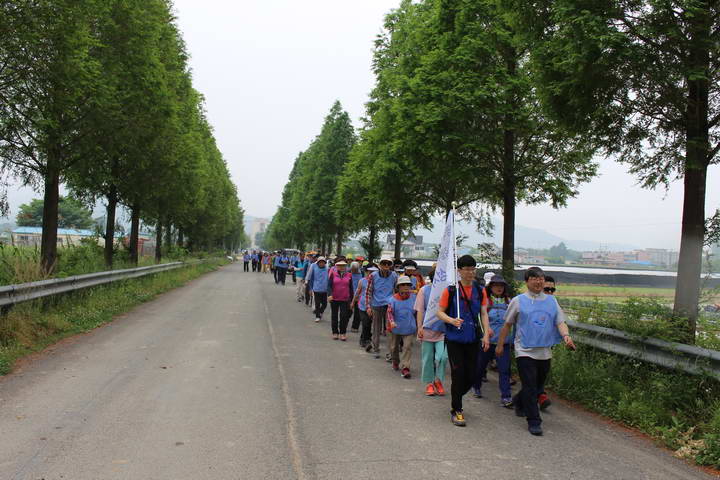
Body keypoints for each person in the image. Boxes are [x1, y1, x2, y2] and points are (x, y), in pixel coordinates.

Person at [496, 266, 576, 436]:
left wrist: (566, 336)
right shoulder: (518, 301)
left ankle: (519, 401)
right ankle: (534, 421)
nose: (539, 281)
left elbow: (560, 322)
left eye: (541, 278)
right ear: (527, 282)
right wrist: (500, 345)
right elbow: (507, 325)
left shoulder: (551, 301)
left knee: (537, 385)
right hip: (524, 349)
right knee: (531, 386)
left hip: (545, 350)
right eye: (534, 278)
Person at [437, 254, 491, 427]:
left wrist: (486, 334)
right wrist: (451, 320)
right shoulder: (451, 290)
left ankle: (457, 394)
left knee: (474, 374)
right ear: (459, 271)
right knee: (458, 374)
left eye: (472, 269)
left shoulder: (479, 289)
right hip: (454, 339)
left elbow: (483, 312)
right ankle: (457, 409)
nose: (470, 272)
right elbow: (439, 312)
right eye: (466, 269)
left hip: (473, 337)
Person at [473, 274, 514, 407]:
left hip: (504, 343)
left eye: (501, 285)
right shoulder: (485, 300)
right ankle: (476, 386)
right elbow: (479, 318)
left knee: (504, 370)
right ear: (491, 287)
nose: (499, 288)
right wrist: (486, 330)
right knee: (480, 367)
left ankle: (506, 396)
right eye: (496, 285)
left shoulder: (510, 302)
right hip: (487, 341)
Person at [415, 268, 448, 396]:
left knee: (442, 357)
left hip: (443, 331)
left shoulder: (447, 291)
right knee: (428, 358)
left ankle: (438, 380)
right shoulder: (424, 290)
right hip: (427, 330)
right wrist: (419, 327)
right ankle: (429, 383)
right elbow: (420, 310)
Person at [365, 257, 399, 359]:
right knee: (376, 328)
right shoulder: (373, 276)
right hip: (376, 304)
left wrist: (397, 305)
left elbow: (396, 290)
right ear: (380, 265)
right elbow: (368, 292)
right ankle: (376, 348)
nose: (386, 266)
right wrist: (368, 307)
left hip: (389, 305)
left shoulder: (394, 275)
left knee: (390, 329)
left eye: (388, 264)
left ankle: (390, 352)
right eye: (384, 264)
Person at [387, 276, 417, 378]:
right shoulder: (392, 299)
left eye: (408, 285)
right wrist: (392, 322)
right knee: (393, 347)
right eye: (403, 285)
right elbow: (389, 313)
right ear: (398, 287)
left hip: (409, 327)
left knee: (407, 347)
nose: (406, 287)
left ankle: (405, 367)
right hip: (395, 328)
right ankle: (395, 361)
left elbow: (418, 311)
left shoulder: (414, 297)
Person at [538, 274, 556, 410]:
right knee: (531, 375)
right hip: (528, 346)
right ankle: (540, 396)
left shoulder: (553, 303)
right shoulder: (530, 302)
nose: (549, 292)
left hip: (546, 346)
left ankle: (522, 400)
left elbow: (559, 322)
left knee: (542, 372)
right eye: (547, 289)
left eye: (552, 290)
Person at [352, 264, 377, 350]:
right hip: (362, 305)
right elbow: (357, 292)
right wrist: (352, 302)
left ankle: (364, 338)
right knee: (365, 323)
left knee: (369, 324)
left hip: (374, 305)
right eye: (369, 272)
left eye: (373, 272)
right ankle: (366, 340)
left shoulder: (377, 281)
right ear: (366, 272)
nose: (371, 274)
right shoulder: (362, 281)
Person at [327, 260, 353, 340]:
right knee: (334, 316)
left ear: (346, 267)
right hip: (334, 298)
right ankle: (335, 332)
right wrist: (330, 294)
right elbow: (329, 286)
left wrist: (352, 300)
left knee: (344, 316)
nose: (341, 267)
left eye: (343, 266)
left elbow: (351, 288)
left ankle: (343, 333)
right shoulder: (333, 274)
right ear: (337, 266)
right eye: (339, 266)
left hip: (345, 299)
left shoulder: (349, 275)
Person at [306, 257, 329, 322]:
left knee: (325, 304)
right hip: (316, 289)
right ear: (318, 263)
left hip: (325, 289)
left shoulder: (327, 269)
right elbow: (311, 279)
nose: (321, 263)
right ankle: (317, 316)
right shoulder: (314, 268)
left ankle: (320, 312)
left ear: (325, 263)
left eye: (323, 262)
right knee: (317, 303)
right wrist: (310, 289)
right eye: (320, 262)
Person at [349, 262, 364, 332]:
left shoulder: (362, 274)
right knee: (348, 310)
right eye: (352, 269)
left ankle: (355, 326)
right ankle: (343, 322)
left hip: (359, 295)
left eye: (355, 269)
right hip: (350, 294)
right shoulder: (348, 273)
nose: (353, 270)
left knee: (357, 312)